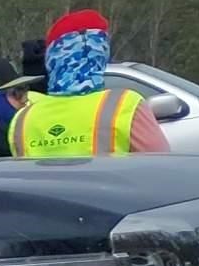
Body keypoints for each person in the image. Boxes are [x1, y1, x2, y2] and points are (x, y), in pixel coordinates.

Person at [9, 9, 171, 157]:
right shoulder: (124, 105)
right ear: (101, 53)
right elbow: (161, 170)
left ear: (51, 58)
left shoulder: (22, 119)